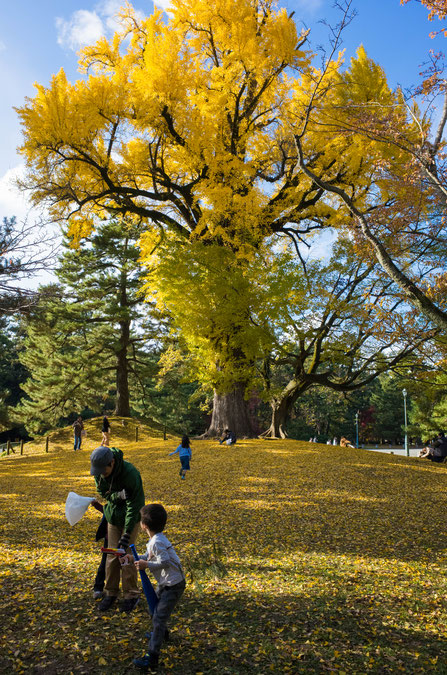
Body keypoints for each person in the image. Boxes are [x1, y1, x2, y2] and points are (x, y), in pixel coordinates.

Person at [130, 503, 186, 673]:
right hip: (166, 583)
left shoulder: (157, 542)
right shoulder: (155, 539)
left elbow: (165, 561)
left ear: (144, 525)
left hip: (173, 585)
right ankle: (162, 633)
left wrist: (146, 564)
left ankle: (152, 657)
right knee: (154, 609)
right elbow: (148, 556)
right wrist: (133, 557)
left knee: (158, 618)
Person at [90, 445, 145, 613]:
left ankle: (131, 595)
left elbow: (133, 506)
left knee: (126, 555)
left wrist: (127, 533)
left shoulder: (130, 474)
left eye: (103, 470)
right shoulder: (99, 473)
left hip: (131, 517)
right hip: (113, 517)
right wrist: (116, 495)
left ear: (112, 462)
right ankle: (110, 593)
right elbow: (103, 493)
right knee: (112, 556)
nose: (101, 474)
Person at [90, 500, 108, 600]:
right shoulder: (111, 500)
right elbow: (107, 511)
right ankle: (98, 588)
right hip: (109, 537)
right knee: (104, 563)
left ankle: (130, 590)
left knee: (125, 563)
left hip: (123, 537)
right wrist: (96, 505)